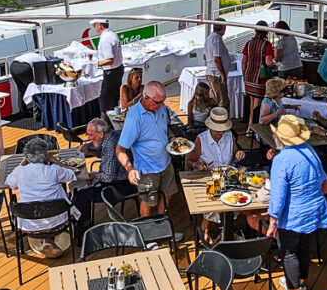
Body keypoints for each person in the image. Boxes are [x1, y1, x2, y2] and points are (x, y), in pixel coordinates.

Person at [266, 114, 327, 290]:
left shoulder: (282, 159)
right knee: (304, 248)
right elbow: (325, 184)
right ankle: (301, 284)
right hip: (313, 210)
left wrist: (272, 221)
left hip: (293, 214)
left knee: (289, 253)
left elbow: (278, 196)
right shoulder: (310, 151)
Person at [5, 137, 79, 257]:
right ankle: (50, 239)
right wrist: (54, 160)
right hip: (56, 220)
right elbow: (70, 174)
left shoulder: (20, 172)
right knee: (60, 200)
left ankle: (46, 241)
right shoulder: (53, 170)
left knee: (39, 207)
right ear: (45, 155)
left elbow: (10, 183)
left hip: (30, 223)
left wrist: (22, 163)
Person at [185, 107, 246, 244]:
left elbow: (235, 155)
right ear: (210, 127)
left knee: (236, 200)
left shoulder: (229, 136)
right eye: (217, 130)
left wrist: (238, 155)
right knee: (212, 201)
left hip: (229, 177)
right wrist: (197, 165)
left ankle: (226, 231)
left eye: (222, 130)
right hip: (209, 178)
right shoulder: (201, 140)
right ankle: (207, 229)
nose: (220, 133)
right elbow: (189, 161)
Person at [116, 80, 177, 217]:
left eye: (163, 101)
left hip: (166, 163)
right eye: (158, 102)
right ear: (146, 99)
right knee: (148, 202)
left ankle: (162, 224)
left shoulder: (161, 108)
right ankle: (148, 233)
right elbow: (120, 149)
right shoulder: (134, 118)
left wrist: (173, 139)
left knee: (168, 194)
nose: (162, 105)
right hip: (147, 168)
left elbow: (166, 128)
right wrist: (130, 169)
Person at [72, 118, 131, 236]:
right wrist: (89, 150)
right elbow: (102, 155)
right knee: (79, 188)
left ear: (100, 134)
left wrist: (94, 177)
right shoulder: (111, 136)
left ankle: (83, 232)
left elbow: (108, 177)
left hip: (119, 186)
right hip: (119, 180)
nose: (88, 138)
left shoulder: (110, 145)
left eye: (90, 135)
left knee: (80, 196)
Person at [242, 21, 274, 129]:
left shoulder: (249, 43)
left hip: (249, 75)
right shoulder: (267, 45)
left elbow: (244, 61)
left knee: (251, 101)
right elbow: (268, 62)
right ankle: (252, 127)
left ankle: (249, 125)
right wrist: (275, 66)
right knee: (257, 104)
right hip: (260, 77)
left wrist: (244, 74)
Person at [95, 18, 124, 117]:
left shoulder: (105, 39)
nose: (94, 28)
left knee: (104, 99)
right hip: (118, 69)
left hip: (111, 72)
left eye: (95, 25)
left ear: (100, 25)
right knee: (114, 98)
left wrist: (95, 64)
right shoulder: (112, 34)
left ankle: (105, 123)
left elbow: (109, 59)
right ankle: (113, 119)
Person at [203, 20, 231, 110]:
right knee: (223, 101)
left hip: (211, 73)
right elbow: (216, 59)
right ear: (224, 28)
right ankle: (222, 122)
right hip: (216, 74)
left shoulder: (209, 38)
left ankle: (215, 120)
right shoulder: (216, 40)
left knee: (215, 99)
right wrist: (223, 74)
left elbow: (204, 56)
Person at [9, 50, 42, 115]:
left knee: (21, 89)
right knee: (34, 89)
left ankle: (23, 111)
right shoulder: (43, 59)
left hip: (13, 65)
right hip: (23, 67)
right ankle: (38, 113)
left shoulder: (34, 55)